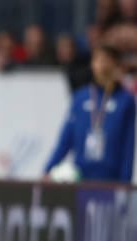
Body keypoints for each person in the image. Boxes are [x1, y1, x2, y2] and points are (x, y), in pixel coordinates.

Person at [44, 44, 135, 182]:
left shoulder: (125, 100)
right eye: (96, 60)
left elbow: (128, 146)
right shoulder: (81, 97)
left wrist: (124, 183)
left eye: (105, 60)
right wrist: (48, 170)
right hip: (80, 177)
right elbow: (65, 139)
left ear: (115, 65)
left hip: (111, 179)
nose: (100, 65)